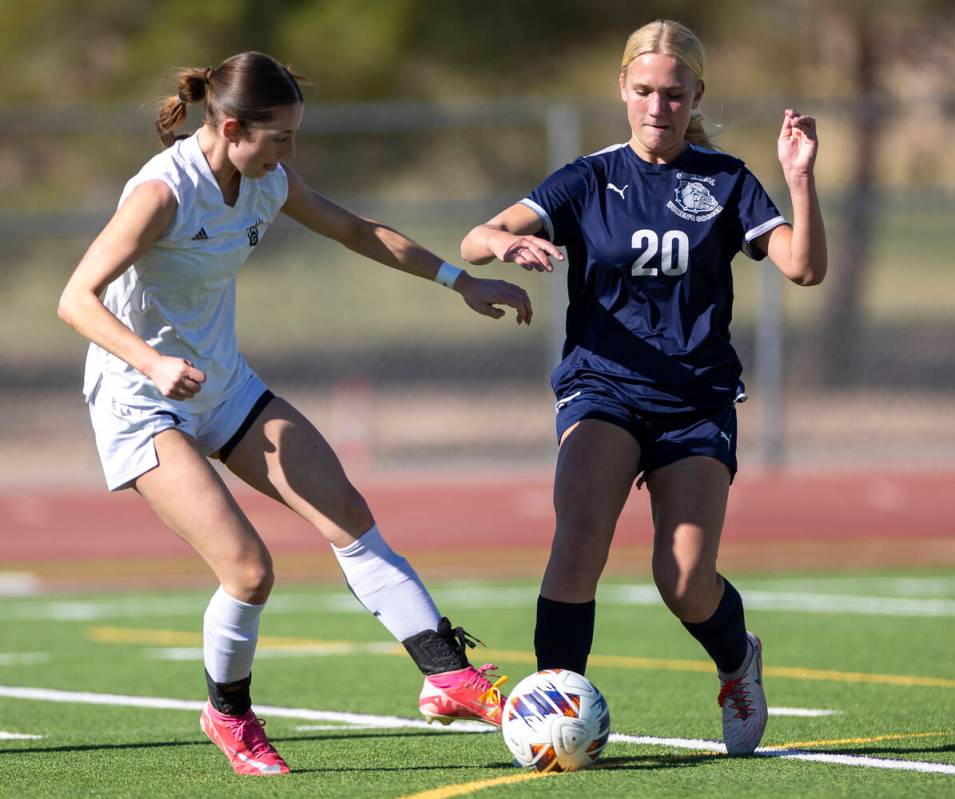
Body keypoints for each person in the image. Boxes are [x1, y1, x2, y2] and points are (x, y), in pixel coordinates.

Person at [57, 51, 529, 776]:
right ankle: (229, 713)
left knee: (344, 506)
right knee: (248, 571)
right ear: (232, 126)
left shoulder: (264, 180)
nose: (287, 154)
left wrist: (457, 279)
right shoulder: (161, 193)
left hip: (223, 385)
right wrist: (151, 363)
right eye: (277, 138)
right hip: (139, 400)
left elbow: (356, 230)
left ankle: (447, 674)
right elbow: (75, 298)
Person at [461, 19, 826, 755]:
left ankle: (736, 660)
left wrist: (799, 177)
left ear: (696, 95)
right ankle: (552, 712)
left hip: (695, 399)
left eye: (672, 93)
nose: (657, 106)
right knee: (577, 542)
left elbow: (803, 268)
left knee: (685, 580)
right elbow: (476, 235)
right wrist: (504, 242)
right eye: (642, 91)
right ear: (621, 90)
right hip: (602, 387)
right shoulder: (587, 177)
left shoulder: (724, 181)